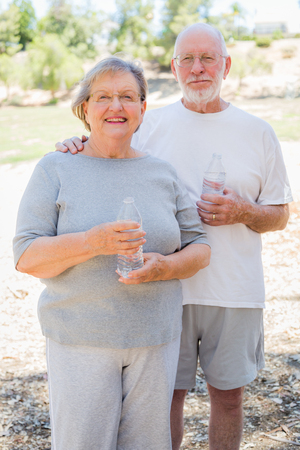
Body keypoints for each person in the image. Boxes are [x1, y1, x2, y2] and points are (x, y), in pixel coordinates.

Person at [55, 24, 293, 450]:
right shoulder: (151, 123)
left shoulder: (258, 132)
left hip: (234, 291)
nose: (198, 68)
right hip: (163, 289)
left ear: (227, 65)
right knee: (163, 403)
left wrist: (244, 210)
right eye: (188, 59)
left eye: (208, 58)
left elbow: (279, 216)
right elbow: (106, 147)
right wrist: (77, 143)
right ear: (174, 67)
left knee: (229, 400)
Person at [13, 56, 211, 450]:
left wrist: (165, 267)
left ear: (142, 108)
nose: (115, 107)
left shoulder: (162, 173)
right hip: (80, 340)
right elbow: (26, 256)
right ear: (86, 108)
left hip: (155, 339)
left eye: (127, 97)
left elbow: (201, 247)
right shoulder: (56, 168)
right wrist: (91, 243)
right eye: (103, 96)